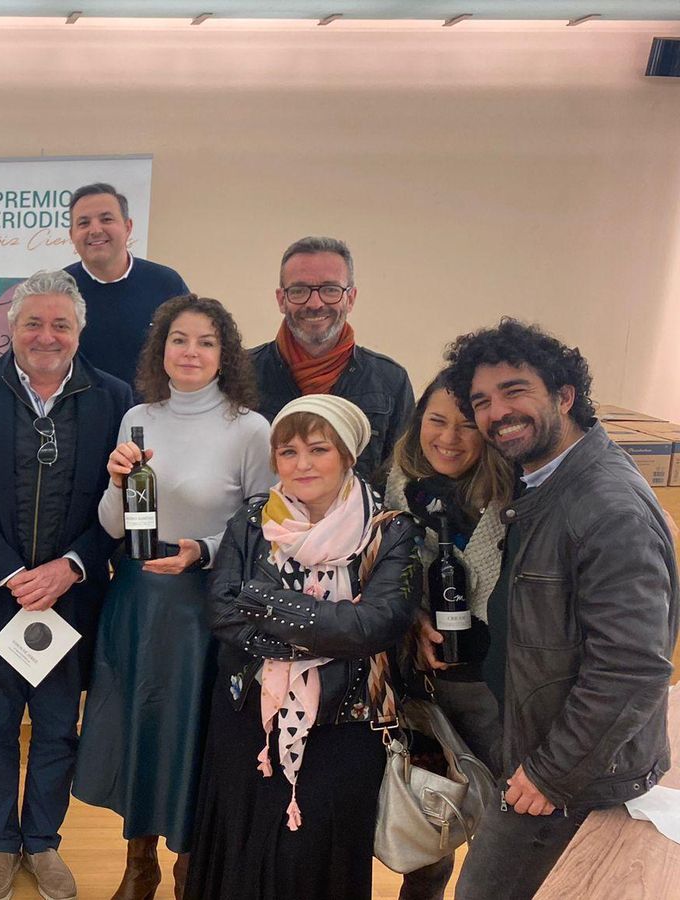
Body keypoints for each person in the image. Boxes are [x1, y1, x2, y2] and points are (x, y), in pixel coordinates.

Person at [444, 320, 677, 900]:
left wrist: (550, 772)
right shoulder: (544, 484)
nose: (498, 412)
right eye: (483, 401)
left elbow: (632, 668)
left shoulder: (605, 506)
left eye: (514, 391)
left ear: (565, 395)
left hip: (567, 775)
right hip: (539, 751)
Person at [0, 269, 133, 900]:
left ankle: (43, 843)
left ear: (80, 330)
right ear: (11, 329)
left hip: (71, 595)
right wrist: (14, 573)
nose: (46, 336)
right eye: (32, 323)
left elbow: (121, 500)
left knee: (55, 729)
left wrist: (69, 566)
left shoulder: (114, 398)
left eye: (60, 324)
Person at [72, 295, 271, 900]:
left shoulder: (249, 428)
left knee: (194, 732)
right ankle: (139, 863)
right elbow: (111, 524)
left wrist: (202, 550)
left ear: (224, 354)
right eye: (178, 339)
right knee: (141, 726)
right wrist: (114, 482)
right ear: (162, 349)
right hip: (136, 597)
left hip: (204, 605)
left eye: (206, 341)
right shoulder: (139, 415)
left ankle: (190, 867)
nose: (190, 351)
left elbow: (265, 524)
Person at [185, 395, 418, 900]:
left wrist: (265, 599)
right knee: (241, 857)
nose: (302, 464)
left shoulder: (390, 530)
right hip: (248, 718)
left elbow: (375, 625)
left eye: (318, 449)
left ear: (348, 456)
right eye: (288, 452)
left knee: (311, 860)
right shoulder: (252, 520)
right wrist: (320, 632)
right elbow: (222, 610)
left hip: (345, 724)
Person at [380, 371, 512, 900]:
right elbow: (378, 572)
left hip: (490, 685)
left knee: (497, 817)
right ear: (419, 424)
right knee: (431, 802)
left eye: (466, 425)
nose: (449, 438)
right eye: (436, 421)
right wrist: (411, 617)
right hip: (419, 682)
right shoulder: (397, 486)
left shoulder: (511, 497)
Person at [248, 236, 414, 478]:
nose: (315, 303)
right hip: (265, 515)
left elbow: (400, 477)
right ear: (281, 300)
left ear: (351, 298)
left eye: (330, 290)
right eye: (299, 290)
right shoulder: (242, 374)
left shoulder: (390, 381)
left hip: (364, 516)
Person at [63, 183, 189, 388]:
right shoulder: (58, 290)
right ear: (72, 235)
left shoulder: (166, 283)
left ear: (128, 227)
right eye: (83, 223)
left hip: (153, 412)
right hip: (79, 414)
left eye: (106, 219)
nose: (95, 230)